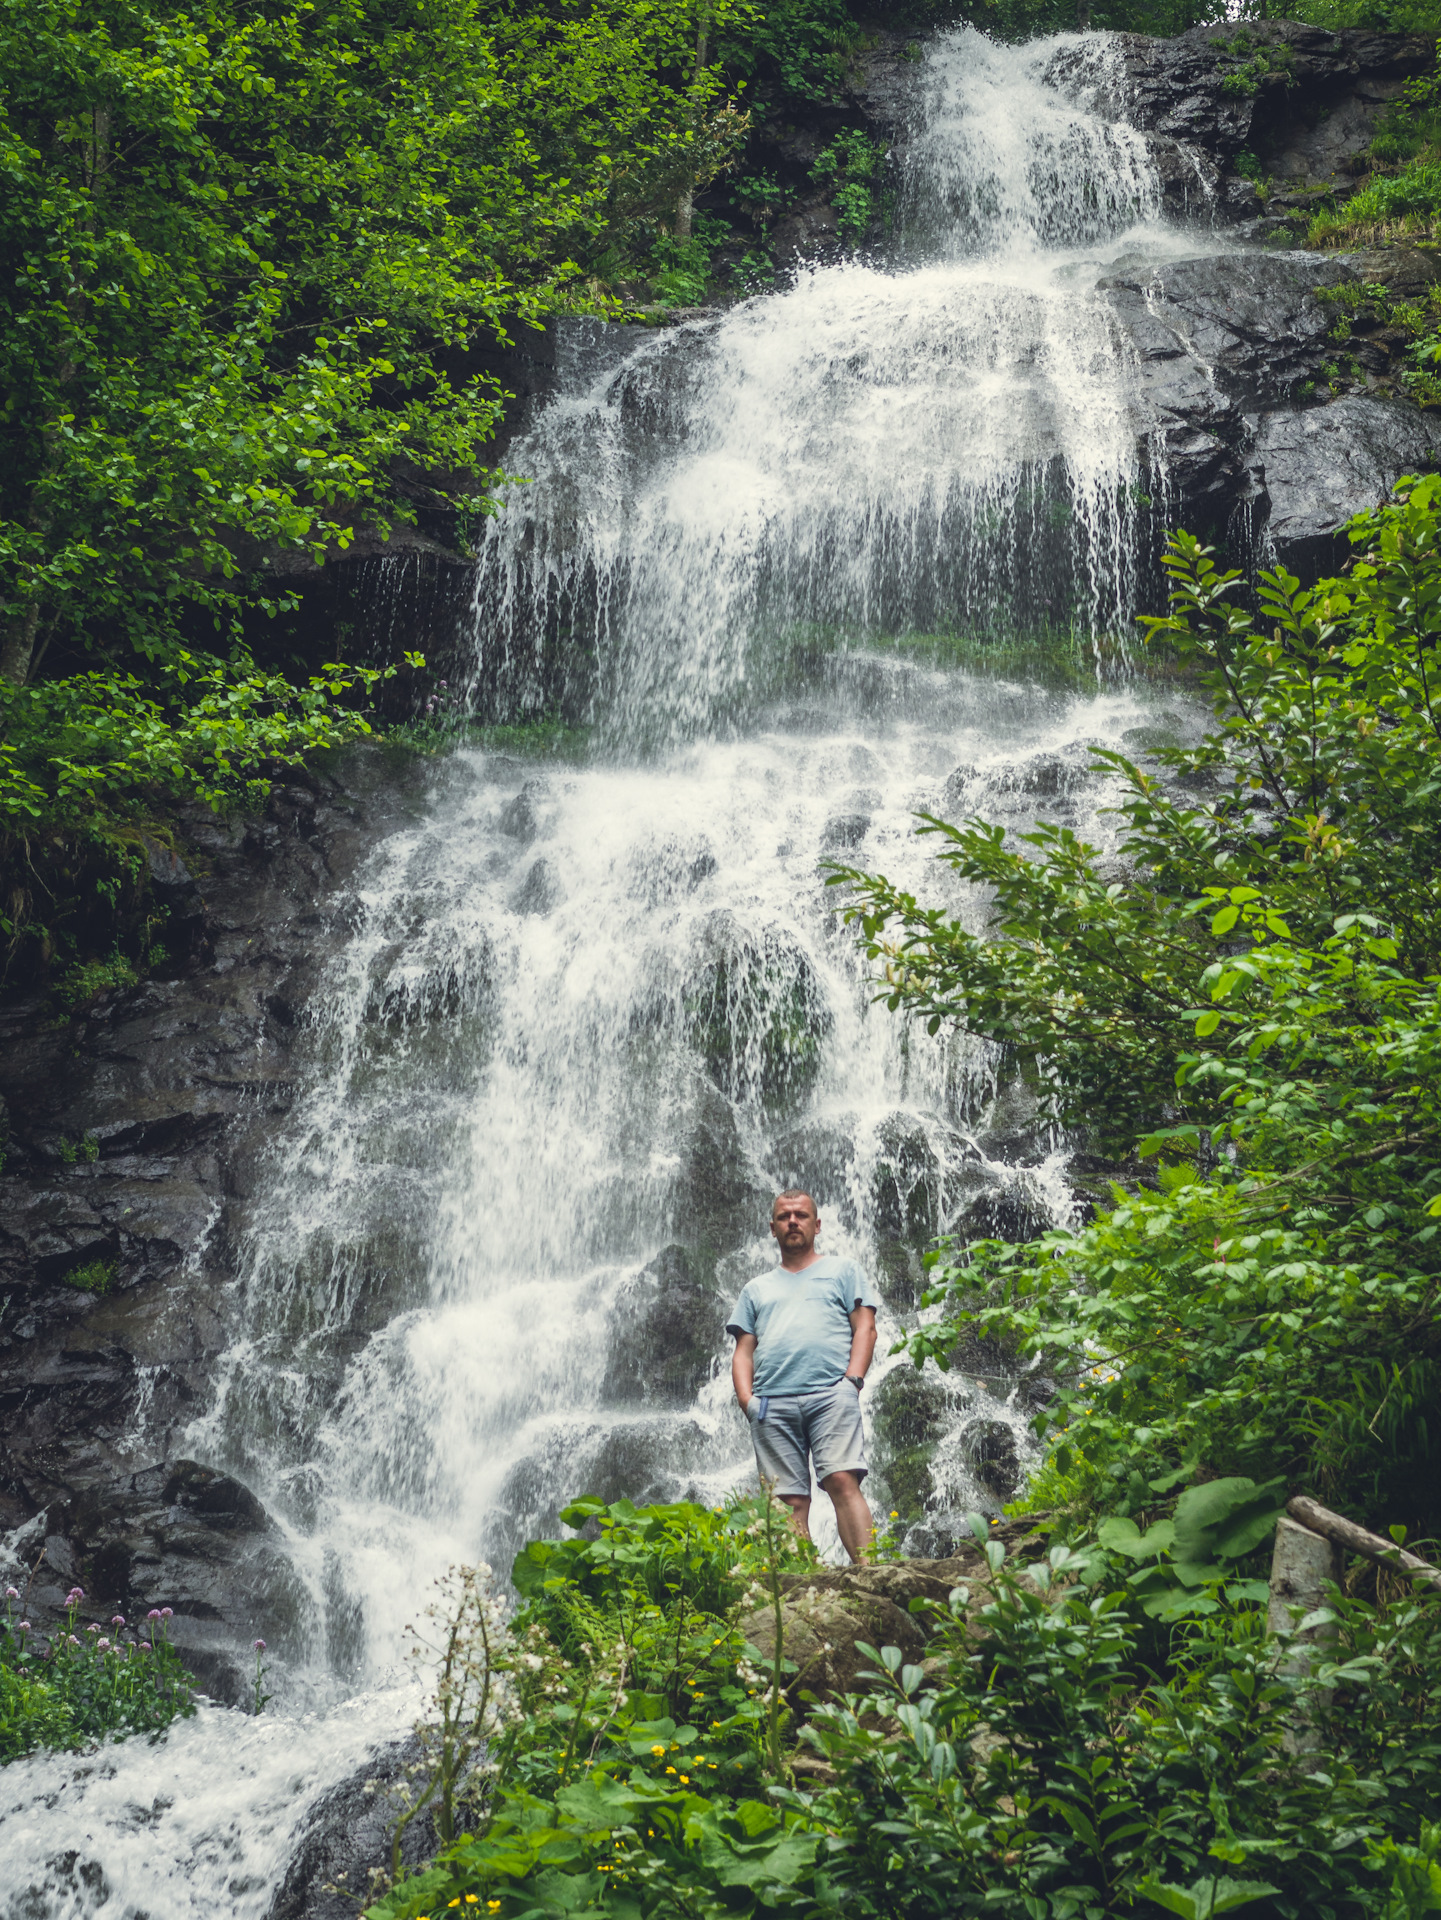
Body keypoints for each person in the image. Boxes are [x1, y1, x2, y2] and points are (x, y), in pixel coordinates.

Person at [726, 1190, 879, 1562]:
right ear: (772, 1229)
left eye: (801, 1215)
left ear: (817, 1224)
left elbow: (866, 1328)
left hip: (832, 1394)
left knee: (842, 1480)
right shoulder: (755, 1289)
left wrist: (852, 1382)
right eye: (784, 1217)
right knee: (788, 1501)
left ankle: (874, 1576)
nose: (792, 1221)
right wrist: (748, 1401)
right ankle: (802, 1586)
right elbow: (743, 1351)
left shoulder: (844, 1271)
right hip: (771, 1404)